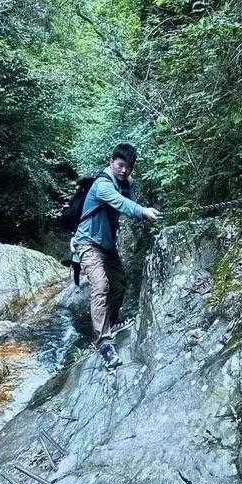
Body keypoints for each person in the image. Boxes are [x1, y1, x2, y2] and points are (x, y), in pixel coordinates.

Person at [71, 143, 161, 367]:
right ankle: (103, 342)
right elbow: (121, 204)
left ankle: (110, 323)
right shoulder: (102, 185)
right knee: (101, 285)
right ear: (111, 162)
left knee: (119, 284)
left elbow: (125, 201)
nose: (124, 170)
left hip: (107, 245)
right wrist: (142, 211)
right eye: (120, 165)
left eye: (128, 167)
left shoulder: (124, 184)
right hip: (88, 244)